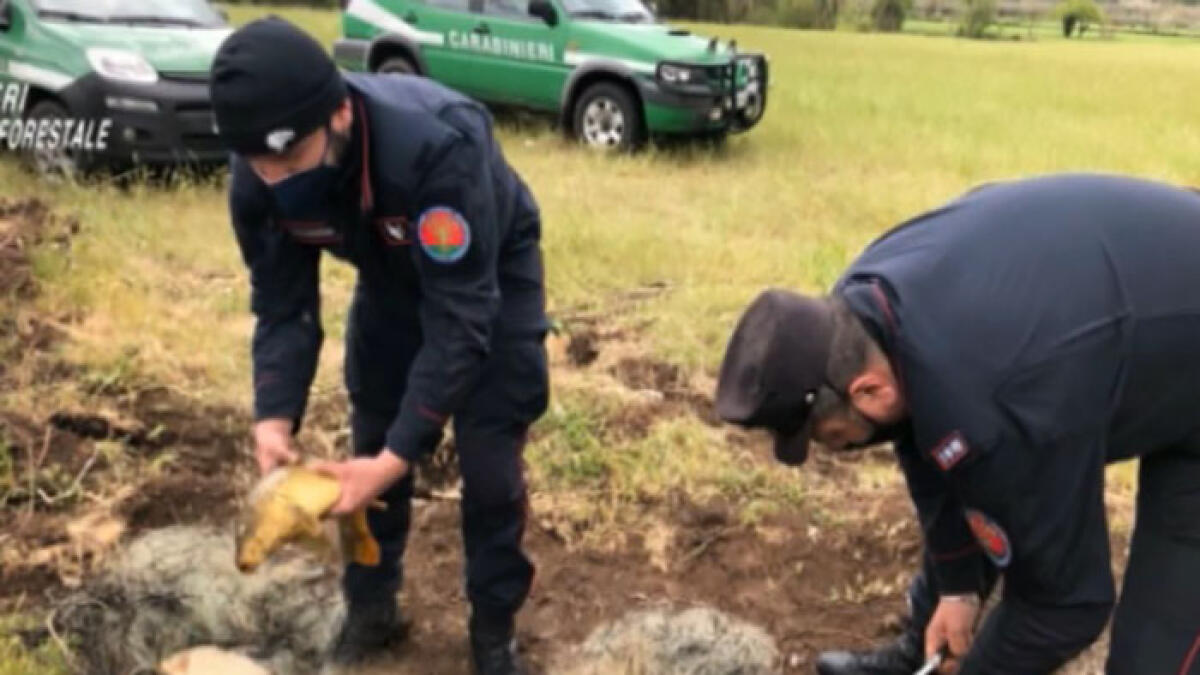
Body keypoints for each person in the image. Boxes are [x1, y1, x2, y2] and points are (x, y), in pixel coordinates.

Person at [714, 173, 1200, 674]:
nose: (831, 449)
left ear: (866, 390)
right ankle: (920, 657)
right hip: (1136, 311)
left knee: (1156, 654)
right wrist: (957, 587)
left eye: (829, 437)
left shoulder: (1005, 405)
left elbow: (1065, 605)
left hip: (1155, 330)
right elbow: (922, 437)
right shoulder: (864, 314)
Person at [209, 17, 550, 675]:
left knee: (489, 463)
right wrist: (273, 413)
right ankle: (372, 608)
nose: (276, 179)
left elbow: (460, 321)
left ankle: (492, 634)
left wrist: (398, 457)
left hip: (487, 278)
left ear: (339, 113)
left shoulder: (437, 146)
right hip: (389, 276)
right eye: (259, 164)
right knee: (368, 436)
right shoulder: (257, 174)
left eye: (290, 159)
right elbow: (284, 306)